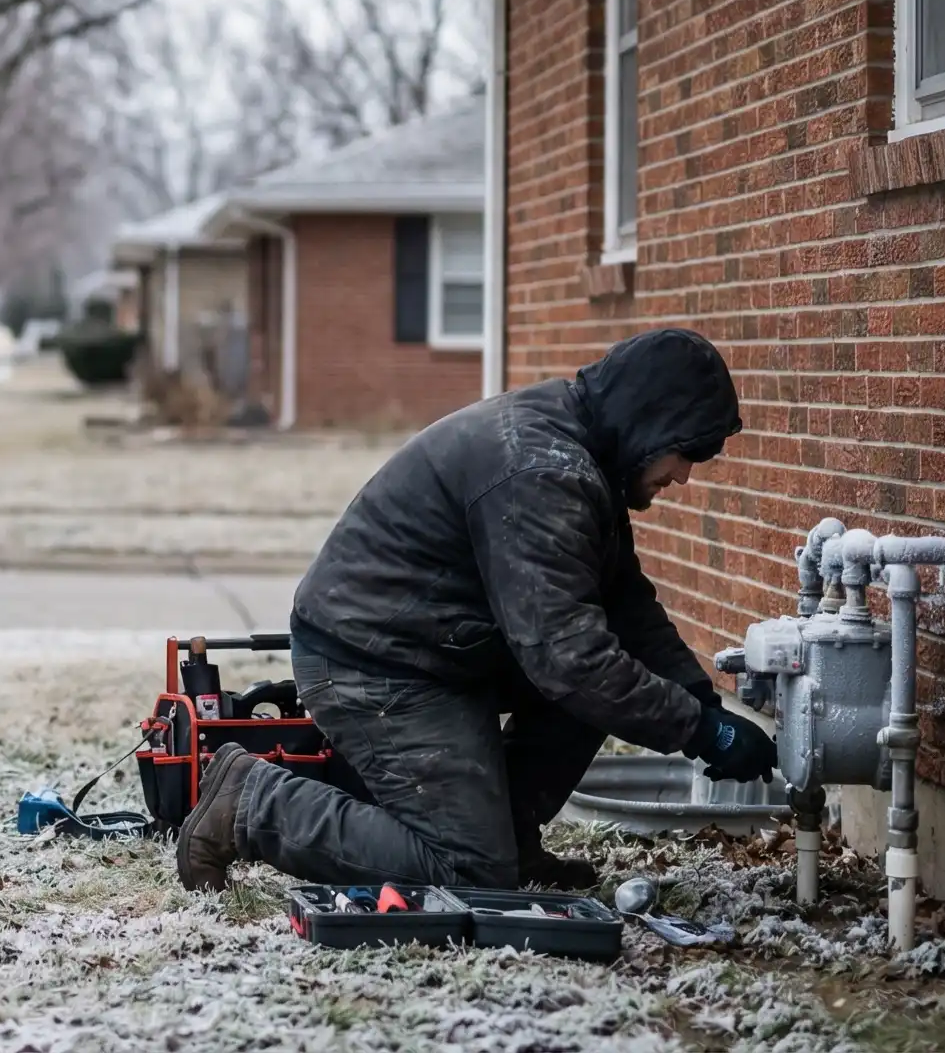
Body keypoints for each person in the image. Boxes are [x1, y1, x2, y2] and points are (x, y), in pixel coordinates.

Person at [175, 327, 780, 894]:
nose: (684, 476)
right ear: (649, 423)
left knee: (601, 683)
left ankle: (509, 839)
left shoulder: (582, 452)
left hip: (435, 646)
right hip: (371, 660)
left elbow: (623, 603)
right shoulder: (543, 471)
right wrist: (703, 731)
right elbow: (569, 661)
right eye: (686, 453)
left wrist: (697, 700)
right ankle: (253, 802)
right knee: (466, 868)